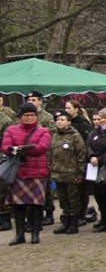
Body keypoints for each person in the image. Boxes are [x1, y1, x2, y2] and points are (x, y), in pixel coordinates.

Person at [3, 103, 51, 244]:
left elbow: (42, 147)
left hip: (37, 173)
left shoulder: (43, 131)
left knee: (36, 205)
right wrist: (17, 149)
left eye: (32, 115)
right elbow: (6, 147)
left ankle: (35, 234)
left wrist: (22, 149)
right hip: (18, 172)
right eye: (26, 115)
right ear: (20, 117)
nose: (29, 118)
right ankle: (20, 235)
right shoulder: (11, 130)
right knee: (18, 206)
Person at [49, 110, 86, 235]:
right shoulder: (53, 135)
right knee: (62, 199)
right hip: (57, 173)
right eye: (57, 120)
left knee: (72, 199)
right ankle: (65, 222)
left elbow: (81, 154)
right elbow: (50, 154)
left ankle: (73, 223)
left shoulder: (74, 135)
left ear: (69, 122)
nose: (59, 122)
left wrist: (80, 172)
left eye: (62, 120)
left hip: (71, 173)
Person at [26, 91, 56, 226]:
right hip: (28, 157)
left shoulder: (47, 117)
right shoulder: (24, 116)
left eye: (33, 100)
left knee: (46, 186)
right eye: (29, 100)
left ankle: (49, 212)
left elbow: (51, 135)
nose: (31, 102)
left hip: (44, 155)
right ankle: (31, 215)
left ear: (40, 101)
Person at [0, 104, 15, 231]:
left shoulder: (5, 120)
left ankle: (5, 218)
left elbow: (7, 141)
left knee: (2, 190)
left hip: (2, 157)